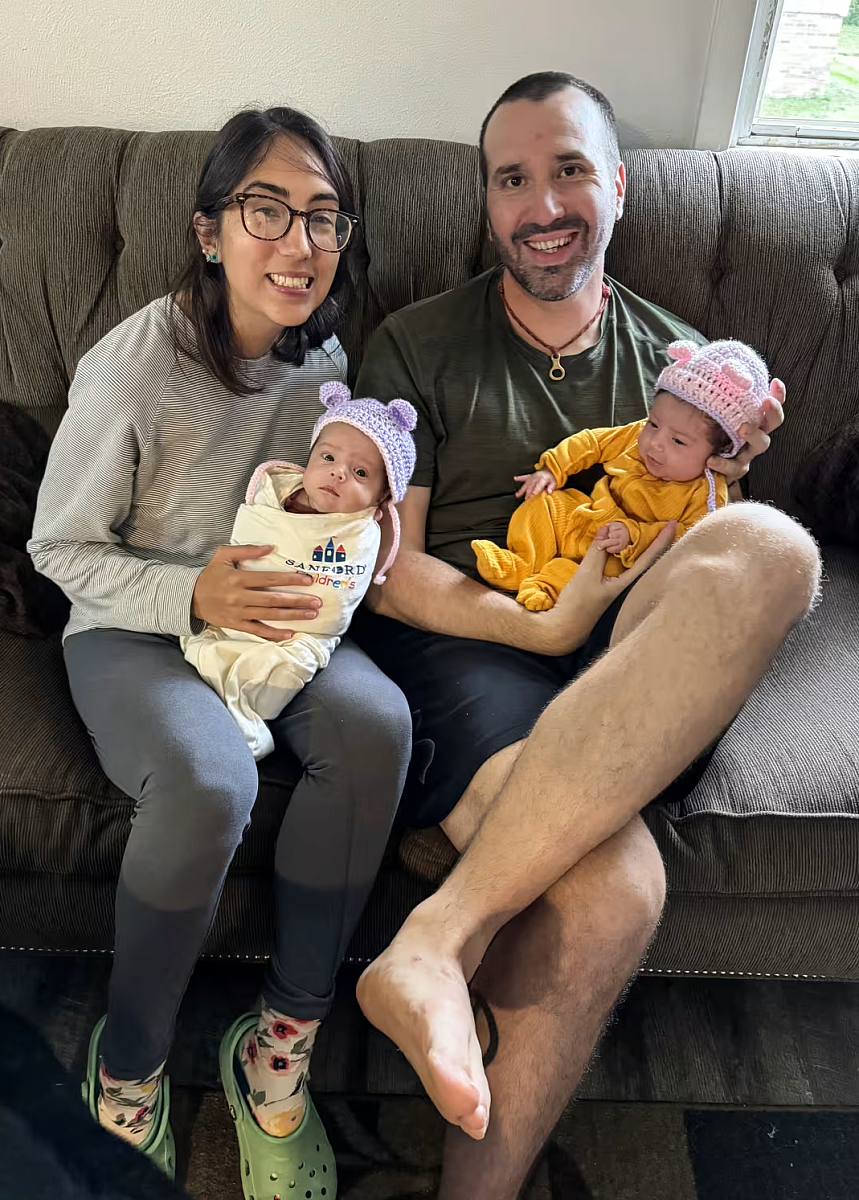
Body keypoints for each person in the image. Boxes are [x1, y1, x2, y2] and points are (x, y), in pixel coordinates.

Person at [349, 72, 820, 1200]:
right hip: (479, 644)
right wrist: (539, 622)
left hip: (639, 648)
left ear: (615, 184)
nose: (542, 202)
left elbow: (714, 574)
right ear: (488, 202)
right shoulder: (418, 345)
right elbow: (389, 570)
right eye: (513, 178)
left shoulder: (687, 361)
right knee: (614, 891)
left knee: (775, 549)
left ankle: (436, 937)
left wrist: (724, 485)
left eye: (569, 169)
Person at [29, 107, 413, 1195]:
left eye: (325, 219)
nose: (300, 244)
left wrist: (364, 541)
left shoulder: (327, 366)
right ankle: (132, 1070)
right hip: (138, 621)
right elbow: (59, 547)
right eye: (268, 211)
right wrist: (191, 591)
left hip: (275, 619)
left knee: (380, 725)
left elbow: (332, 500)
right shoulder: (132, 368)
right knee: (206, 782)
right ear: (210, 232)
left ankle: (278, 1045)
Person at [182, 383, 417, 759]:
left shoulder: (359, 532)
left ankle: (245, 718)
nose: (338, 473)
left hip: (299, 635)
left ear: (381, 499)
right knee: (206, 652)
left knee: (282, 670)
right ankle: (225, 709)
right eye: (327, 457)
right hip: (234, 610)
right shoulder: (273, 493)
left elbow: (333, 601)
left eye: (360, 472)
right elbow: (249, 543)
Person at [473, 338, 770, 609]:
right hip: (585, 515)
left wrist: (635, 536)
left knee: (591, 574)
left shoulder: (705, 493)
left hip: (617, 553)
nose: (655, 443)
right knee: (543, 503)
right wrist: (553, 469)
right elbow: (593, 442)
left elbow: (688, 541)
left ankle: (544, 587)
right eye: (654, 424)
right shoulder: (635, 437)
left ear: (718, 455)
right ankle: (521, 563)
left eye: (678, 441)